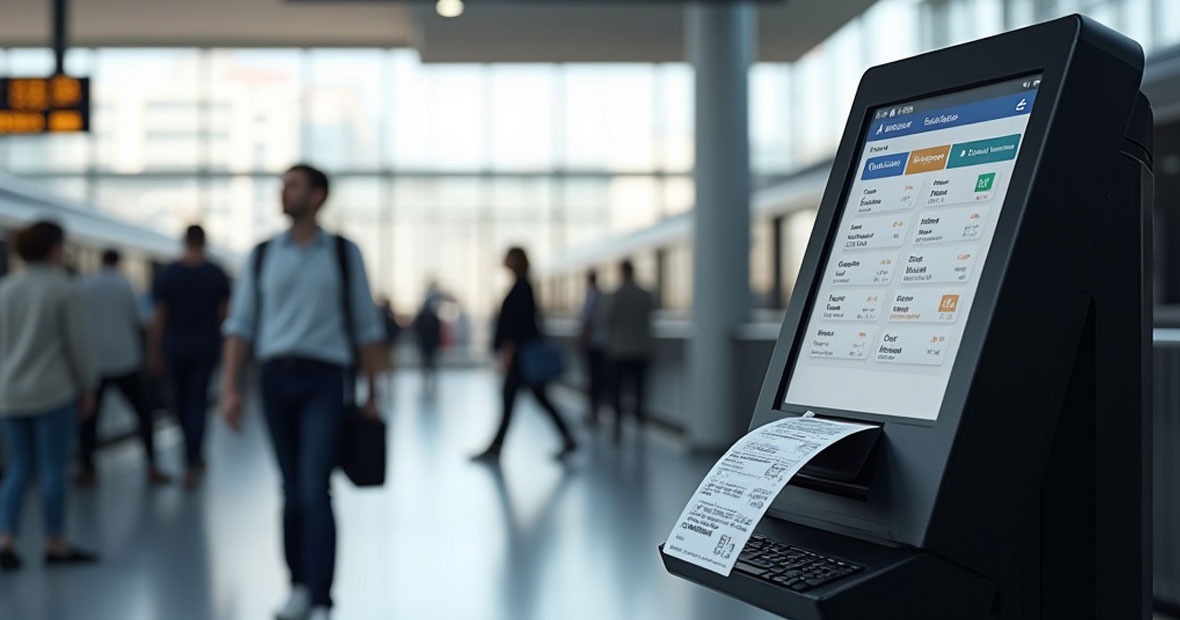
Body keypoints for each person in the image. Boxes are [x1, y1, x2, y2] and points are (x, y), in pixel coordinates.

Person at [220, 164, 385, 620]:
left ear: (317, 196)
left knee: (315, 489)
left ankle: (320, 598)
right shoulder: (262, 255)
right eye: (282, 185)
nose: (282, 192)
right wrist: (230, 388)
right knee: (291, 490)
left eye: (292, 185)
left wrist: (374, 390)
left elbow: (366, 326)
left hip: (326, 379)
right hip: (275, 379)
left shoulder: (343, 255)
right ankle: (297, 585)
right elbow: (241, 326)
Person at [0, 221, 99, 571]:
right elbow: (78, 346)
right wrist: (87, 387)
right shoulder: (64, 290)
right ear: (54, 248)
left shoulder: (5, 289)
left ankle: (6, 539)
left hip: (10, 394)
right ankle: (55, 543)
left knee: (18, 468)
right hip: (52, 392)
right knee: (53, 467)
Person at [472, 247, 577, 462]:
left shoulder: (522, 288)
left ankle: (497, 446)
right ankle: (566, 437)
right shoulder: (522, 286)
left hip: (521, 357)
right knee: (534, 399)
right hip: (521, 356)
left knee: (513, 399)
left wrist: (509, 350)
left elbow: (520, 324)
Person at [76, 249, 170, 486]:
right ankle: (152, 465)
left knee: (89, 420)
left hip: (96, 363)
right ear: (117, 263)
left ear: (100, 261)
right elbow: (140, 320)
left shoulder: (85, 286)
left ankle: (88, 469)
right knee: (143, 414)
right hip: (125, 361)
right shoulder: (125, 285)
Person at [149, 225, 230, 490]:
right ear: (205, 243)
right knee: (198, 404)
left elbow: (159, 316)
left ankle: (190, 454)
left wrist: (155, 351)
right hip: (206, 348)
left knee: (181, 405)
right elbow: (224, 315)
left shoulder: (169, 273)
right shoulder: (216, 273)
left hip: (176, 348)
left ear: (184, 242)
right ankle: (192, 460)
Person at [603, 259, 656, 442]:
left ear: (621, 272)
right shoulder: (645, 294)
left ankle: (617, 426)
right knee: (640, 388)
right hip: (641, 349)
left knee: (617, 390)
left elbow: (606, 319)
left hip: (619, 350)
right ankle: (640, 425)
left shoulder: (615, 295)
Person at [578, 270, 608, 426]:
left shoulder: (592, 296)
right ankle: (596, 412)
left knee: (593, 379)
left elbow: (587, 320)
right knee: (598, 379)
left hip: (593, 344)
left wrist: (583, 339)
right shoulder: (602, 295)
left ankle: (594, 413)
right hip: (602, 344)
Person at [413, 283, 443, 393]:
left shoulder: (431, 316)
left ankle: (431, 381)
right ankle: (427, 381)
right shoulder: (425, 316)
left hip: (429, 343)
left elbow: (437, 330)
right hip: (427, 343)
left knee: (430, 363)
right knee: (427, 363)